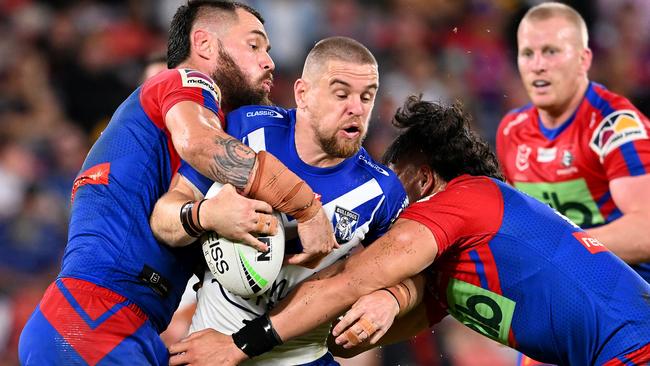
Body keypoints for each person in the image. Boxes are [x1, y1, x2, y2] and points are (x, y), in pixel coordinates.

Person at [168, 95, 650, 366]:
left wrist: (237, 344)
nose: (390, 208)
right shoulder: (452, 266)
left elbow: (351, 279)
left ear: (421, 178)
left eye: (396, 188)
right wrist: (381, 308)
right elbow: (381, 319)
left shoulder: (466, 198)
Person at [18, 1, 337, 365]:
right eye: (254, 45)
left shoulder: (177, 147)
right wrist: (307, 208)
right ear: (204, 44)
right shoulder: (186, 81)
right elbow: (201, 144)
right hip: (93, 321)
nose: (268, 61)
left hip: (117, 324)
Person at [150, 36, 408, 366]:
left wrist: (391, 298)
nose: (356, 108)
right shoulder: (247, 129)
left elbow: (403, 275)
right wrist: (206, 214)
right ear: (302, 94)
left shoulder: (381, 192)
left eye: (367, 97)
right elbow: (164, 218)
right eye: (341, 94)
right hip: (206, 353)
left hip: (305, 360)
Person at [496, 2, 650, 279]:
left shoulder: (614, 125)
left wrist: (560, 247)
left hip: (633, 293)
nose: (538, 65)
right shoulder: (512, 130)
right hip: (566, 290)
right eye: (527, 54)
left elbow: (646, 232)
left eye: (551, 52)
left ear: (584, 59)